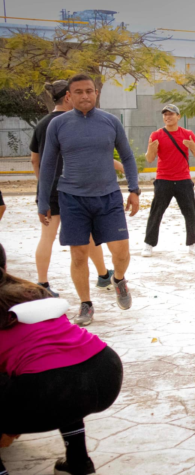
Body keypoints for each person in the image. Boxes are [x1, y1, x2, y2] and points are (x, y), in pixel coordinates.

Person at [0, 243, 124, 475]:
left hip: (53, 387)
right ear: (5, 267)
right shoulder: (28, 291)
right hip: (105, 370)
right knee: (60, 372)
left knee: (54, 379)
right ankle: (78, 462)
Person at [37, 74, 141, 326]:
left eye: (89, 91)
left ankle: (118, 280)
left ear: (96, 93)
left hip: (108, 197)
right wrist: (43, 201)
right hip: (72, 199)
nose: (85, 96)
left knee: (121, 252)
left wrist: (134, 189)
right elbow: (48, 164)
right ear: (69, 96)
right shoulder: (58, 125)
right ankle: (86, 304)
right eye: (79, 92)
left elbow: (127, 157)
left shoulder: (110, 122)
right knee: (79, 255)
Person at [29, 80, 123, 304]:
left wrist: (43, 186)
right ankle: (102, 275)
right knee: (89, 237)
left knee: (47, 238)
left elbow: (35, 160)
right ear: (69, 96)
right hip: (78, 189)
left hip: (52, 188)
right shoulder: (72, 123)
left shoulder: (43, 124)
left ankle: (42, 283)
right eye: (78, 92)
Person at [142, 104, 195, 257]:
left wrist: (192, 146)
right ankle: (148, 244)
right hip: (164, 179)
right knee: (156, 212)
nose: (168, 117)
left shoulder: (187, 133)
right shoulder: (156, 135)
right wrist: (151, 149)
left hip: (183, 179)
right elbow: (149, 159)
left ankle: (193, 243)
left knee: (190, 211)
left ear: (178, 116)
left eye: (171, 114)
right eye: (165, 114)